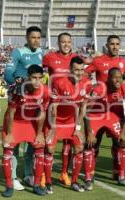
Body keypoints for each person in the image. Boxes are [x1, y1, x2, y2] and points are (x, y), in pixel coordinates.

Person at [85, 35, 125, 179]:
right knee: (95, 142)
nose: (115, 46)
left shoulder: (123, 62)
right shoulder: (98, 61)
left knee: (117, 142)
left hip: (116, 108)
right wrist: (92, 87)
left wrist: (122, 84)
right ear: (107, 45)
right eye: (112, 44)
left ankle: (117, 172)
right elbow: (84, 73)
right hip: (97, 106)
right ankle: (91, 172)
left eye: (117, 44)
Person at [44, 56, 91, 193]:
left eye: (82, 70)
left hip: (71, 122)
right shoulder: (59, 82)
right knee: (50, 149)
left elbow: (83, 107)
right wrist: (52, 127)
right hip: (56, 121)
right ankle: (47, 182)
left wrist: (78, 128)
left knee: (79, 148)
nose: (79, 73)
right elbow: (53, 107)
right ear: (70, 69)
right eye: (76, 70)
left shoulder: (86, 83)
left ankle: (75, 181)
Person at [4, 26, 43, 190]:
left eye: (38, 37)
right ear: (27, 38)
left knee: (32, 143)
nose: (36, 40)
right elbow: (7, 72)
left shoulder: (41, 52)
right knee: (15, 141)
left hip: (34, 101)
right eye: (33, 37)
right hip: (19, 97)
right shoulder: (18, 52)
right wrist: (17, 81)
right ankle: (12, 177)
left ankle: (28, 175)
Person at [1, 65, 49, 197]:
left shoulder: (45, 91)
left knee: (40, 149)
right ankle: (9, 185)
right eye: (34, 78)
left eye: (40, 78)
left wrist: (39, 133)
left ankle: (37, 184)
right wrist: (10, 134)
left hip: (31, 122)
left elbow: (42, 113)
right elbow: (11, 112)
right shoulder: (17, 89)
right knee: (7, 150)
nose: (37, 81)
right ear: (28, 77)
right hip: (14, 122)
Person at [83, 68, 125, 190]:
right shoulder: (99, 88)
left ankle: (121, 177)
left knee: (122, 143)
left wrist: (123, 133)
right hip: (95, 115)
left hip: (111, 116)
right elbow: (85, 110)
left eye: (120, 77)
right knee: (91, 144)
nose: (118, 80)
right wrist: (89, 132)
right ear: (108, 78)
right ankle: (88, 178)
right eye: (115, 77)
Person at [42, 32, 80, 186]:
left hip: (70, 109)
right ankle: (44, 174)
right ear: (58, 43)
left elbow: (82, 76)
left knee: (68, 144)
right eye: (63, 42)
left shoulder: (77, 58)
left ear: (71, 42)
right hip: (53, 106)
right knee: (49, 143)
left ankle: (64, 173)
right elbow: (39, 75)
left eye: (68, 41)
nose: (66, 44)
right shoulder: (49, 57)